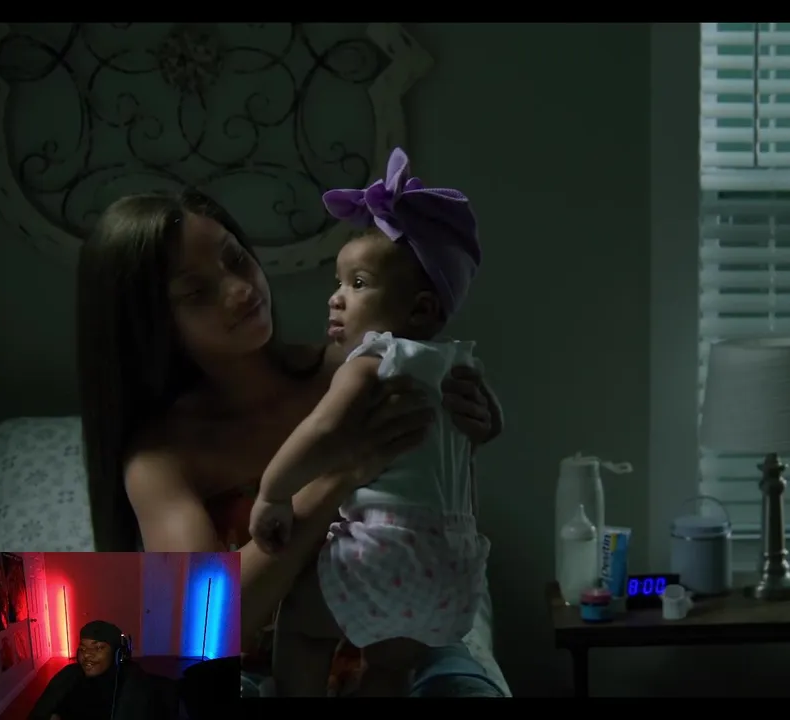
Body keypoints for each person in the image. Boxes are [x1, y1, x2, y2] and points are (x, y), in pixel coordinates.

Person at [75, 182, 506, 696]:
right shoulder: (161, 458)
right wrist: (339, 474)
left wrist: (474, 425)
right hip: (266, 677)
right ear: (152, 323)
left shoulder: (357, 369)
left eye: (235, 259)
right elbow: (201, 628)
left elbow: (431, 502)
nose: (239, 289)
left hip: (407, 648)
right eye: (197, 291)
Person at [250, 148, 487, 697]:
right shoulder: (460, 367)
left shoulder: (374, 360)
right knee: (390, 666)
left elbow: (322, 432)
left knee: (303, 627)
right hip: (453, 565)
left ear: (420, 309)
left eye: (358, 284)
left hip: (385, 550)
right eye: (339, 282)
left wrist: (273, 493)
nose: (336, 298)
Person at [28, 621, 165, 720]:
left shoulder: (134, 683)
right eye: (83, 648)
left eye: (99, 648)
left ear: (118, 654)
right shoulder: (69, 675)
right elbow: (41, 712)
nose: (87, 654)